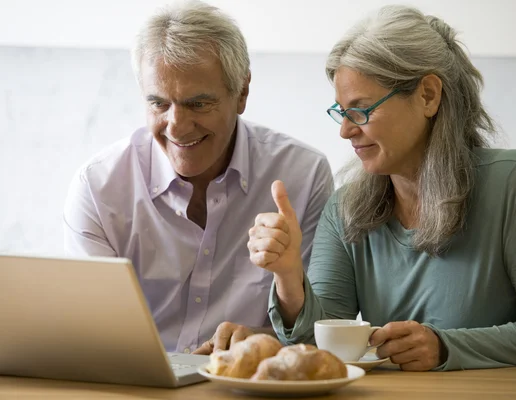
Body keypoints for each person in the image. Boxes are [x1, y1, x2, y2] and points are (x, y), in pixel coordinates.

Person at [247, 5, 516, 371]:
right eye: (341, 112)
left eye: (361, 110)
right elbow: (320, 349)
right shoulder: (345, 208)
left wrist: (445, 346)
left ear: (427, 95)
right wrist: (288, 275)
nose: (345, 130)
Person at [62, 0, 334, 355]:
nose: (176, 126)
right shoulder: (99, 188)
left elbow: (320, 330)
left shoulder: (304, 176)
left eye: (198, 104)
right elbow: (88, 334)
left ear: (242, 93)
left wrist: (267, 338)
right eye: (159, 104)